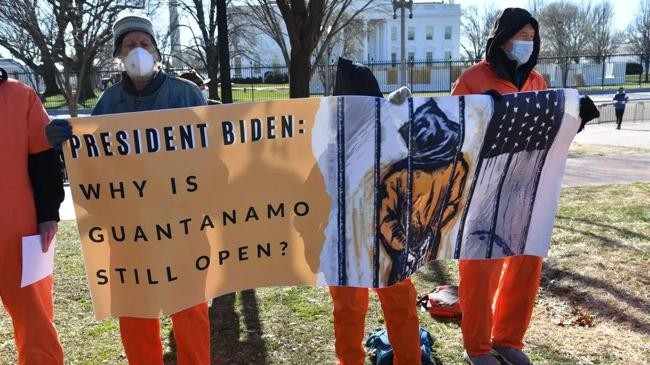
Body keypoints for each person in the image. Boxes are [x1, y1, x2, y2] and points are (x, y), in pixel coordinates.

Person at [45, 15, 210, 365]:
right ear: (119, 54)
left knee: (190, 312)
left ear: (157, 50)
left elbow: (211, 158)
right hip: (130, 230)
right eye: (129, 45)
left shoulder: (186, 94)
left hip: (183, 225)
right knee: (136, 312)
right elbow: (94, 162)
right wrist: (65, 145)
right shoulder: (108, 102)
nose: (138, 51)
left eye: (144, 44)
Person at [449, 8, 598, 365]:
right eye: (521, 36)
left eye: (532, 38)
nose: (526, 44)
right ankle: (478, 346)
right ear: (502, 37)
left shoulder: (537, 81)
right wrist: (485, 114)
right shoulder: (471, 79)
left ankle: (508, 338)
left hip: (525, 186)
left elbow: (548, 134)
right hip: (481, 189)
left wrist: (574, 120)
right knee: (481, 268)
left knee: (526, 262)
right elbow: (453, 131)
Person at [328, 58, 423, 365]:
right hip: (348, 237)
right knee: (350, 307)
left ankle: (406, 359)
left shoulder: (391, 134)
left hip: (385, 233)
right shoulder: (328, 137)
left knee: (395, 304)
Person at [0, 68, 65, 364]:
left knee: (35, 319)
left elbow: (44, 156)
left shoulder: (20, 95)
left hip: (20, 227)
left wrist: (49, 212)